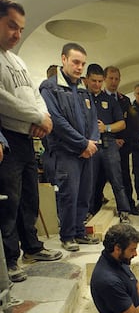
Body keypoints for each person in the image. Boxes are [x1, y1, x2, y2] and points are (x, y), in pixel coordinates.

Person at [0, 0, 62, 283]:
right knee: (9, 202)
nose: (17, 33)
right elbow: (3, 100)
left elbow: (35, 96)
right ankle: (10, 259)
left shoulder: (18, 61)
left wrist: (43, 120)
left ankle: (32, 248)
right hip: (8, 138)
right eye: (12, 26)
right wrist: (37, 117)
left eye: (22, 29)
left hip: (27, 138)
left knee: (29, 197)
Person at [40, 42, 100, 252]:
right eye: (75, 62)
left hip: (87, 151)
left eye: (82, 64)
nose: (79, 67)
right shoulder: (50, 87)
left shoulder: (83, 90)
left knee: (85, 193)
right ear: (63, 59)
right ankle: (67, 236)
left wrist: (92, 142)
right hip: (66, 152)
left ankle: (79, 232)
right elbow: (56, 121)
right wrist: (82, 143)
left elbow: (93, 118)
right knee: (69, 194)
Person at [85, 63, 131, 222]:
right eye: (94, 81)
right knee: (90, 181)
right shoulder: (81, 97)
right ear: (87, 80)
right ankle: (89, 212)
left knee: (117, 179)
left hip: (108, 143)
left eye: (99, 81)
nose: (97, 85)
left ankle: (124, 211)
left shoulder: (110, 100)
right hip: (89, 145)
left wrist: (107, 128)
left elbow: (122, 123)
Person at [103, 66, 139, 215]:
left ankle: (129, 204)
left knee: (125, 176)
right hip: (105, 144)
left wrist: (123, 140)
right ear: (105, 79)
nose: (114, 82)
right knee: (101, 178)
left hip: (123, 146)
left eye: (116, 79)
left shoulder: (125, 100)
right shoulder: (98, 98)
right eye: (111, 78)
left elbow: (131, 123)